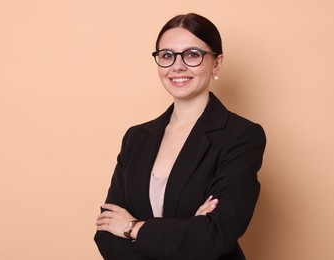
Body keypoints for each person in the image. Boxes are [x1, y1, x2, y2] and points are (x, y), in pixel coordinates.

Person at [94, 13, 266, 260]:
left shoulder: (241, 136)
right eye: (167, 55)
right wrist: (187, 229)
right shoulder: (137, 138)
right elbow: (106, 231)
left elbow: (214, 235)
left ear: (217, 64)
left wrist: (131, 227)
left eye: (193, 54)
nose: (177, 66)